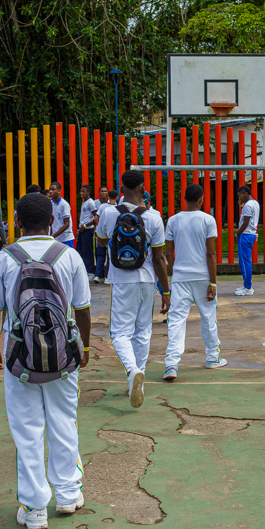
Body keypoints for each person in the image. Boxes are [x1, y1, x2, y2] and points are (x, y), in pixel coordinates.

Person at [0, 193, 92, 529]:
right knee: (64, 420)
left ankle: (33, 508)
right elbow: (83, 309)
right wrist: (83, 347)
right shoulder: (69, 255)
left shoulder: (3, 258)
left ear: (16, 221)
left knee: (27, 429)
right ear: (52, 222)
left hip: (21, 357)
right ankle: (68, 494)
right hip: (63, 355)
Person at [95, 170, 170, 407]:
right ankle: (139, 380)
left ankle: (131, 371)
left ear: (121, 186)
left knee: (119, 333)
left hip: (121, 280)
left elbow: (100, 241)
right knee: (143, 331)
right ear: (142, 188)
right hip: (147, 280)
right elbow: (159, 258)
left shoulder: (108, 213)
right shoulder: (155, 217)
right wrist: (165, 291)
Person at [162, 184, 227, 380]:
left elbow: (168, 252)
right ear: (201, 200)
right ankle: (212, 358)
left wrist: (175, 272)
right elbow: (211, 253)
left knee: (176, 321)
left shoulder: (173, 220)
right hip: (203, 277)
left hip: (181, 278)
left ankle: (171, 364)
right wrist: (213, 283)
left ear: (184, 198)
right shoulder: (208, 220)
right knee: (209, 318)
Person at [235, 186, 260, 296]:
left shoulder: (248, 205)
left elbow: (245, 223)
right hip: (251, 234)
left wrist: (237, 233)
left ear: (245, 193)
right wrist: (241, 204)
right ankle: (246, 285)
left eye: (240, 195)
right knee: (246, 261)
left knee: (244, 262)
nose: (239, 198)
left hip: (245, 235)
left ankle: (248, 287)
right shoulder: (255, 203)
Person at [94, 189, 118, 283]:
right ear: (117, 198)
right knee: (110, 255)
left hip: (101, 234)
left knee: (100, 255)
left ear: (108, 196)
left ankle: (97, 275)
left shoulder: (103, 207)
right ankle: (108, 277)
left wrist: (100, 228)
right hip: (112, 235)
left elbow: (96, 218)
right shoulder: (118, 208)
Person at [77, 184, 98, 274]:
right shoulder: (84, 202)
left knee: (87, 251)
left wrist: (85, 226)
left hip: (87, 229)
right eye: (81, 191)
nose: (82, 193)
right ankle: (83, 270)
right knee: (80, 250)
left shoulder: (90, 202)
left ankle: (90, 271)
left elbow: (96, 218)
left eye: (84, 191)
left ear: (88, 192)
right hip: (82, 229)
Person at [48, 181, 75, 248]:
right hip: (56, 238)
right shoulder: (51, 204)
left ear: (59, 190)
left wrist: (53, 236)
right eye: (50, 189)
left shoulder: (64, 204)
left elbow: (66, 224)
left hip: (65, 238)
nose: (50, 191)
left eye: (53, 189)